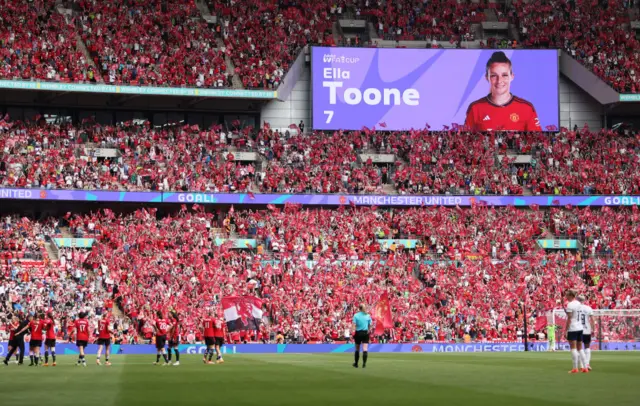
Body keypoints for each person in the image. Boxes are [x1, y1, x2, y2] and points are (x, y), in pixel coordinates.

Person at [464, 51, 541, 132]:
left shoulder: (527, 108)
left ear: (512, 76)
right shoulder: (475, 108)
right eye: (494, 75)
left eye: (504, 75)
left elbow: (537, 140)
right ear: (487, 77)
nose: (499, 80)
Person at [564, 290, 588, 374]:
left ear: (571, 295)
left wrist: (565, 330)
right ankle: (585, 367)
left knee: (573, 348)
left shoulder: (570, 305)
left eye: (567, 295)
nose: (566, 297)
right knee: (580, 348)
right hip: (580, 327)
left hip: (573, 328)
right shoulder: (579, 304)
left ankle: (575, 368)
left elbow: (569, 318)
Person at [352, 303, 372, 368]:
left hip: (358, 332)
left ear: (359, 308)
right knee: (365, 349)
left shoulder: (356, 315)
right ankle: (364, 364)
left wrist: (353, 332)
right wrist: (368, 330)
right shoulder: (368, 316)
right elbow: (370, 325)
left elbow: (354, 325)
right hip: (365, 333)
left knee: (357, 348)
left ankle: (356, 363)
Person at [578, 295, 594, 371]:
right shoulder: (588, 308)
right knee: (587, 347)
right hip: (587, 330)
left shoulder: (576, 309)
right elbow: (592, 320)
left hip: (578, 330)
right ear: (584, 300)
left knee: (579, 348)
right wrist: (593, 329)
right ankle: (587, 364)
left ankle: (582, 365)